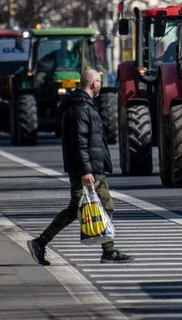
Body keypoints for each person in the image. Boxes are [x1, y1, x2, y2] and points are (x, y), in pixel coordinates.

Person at [27, 69, 133, 265]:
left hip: (91, 166)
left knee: (87, 207)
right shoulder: (80, 108)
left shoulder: (83, 105)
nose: (100, 84)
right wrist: (86, 170)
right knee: (100, 206)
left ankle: (107, 250)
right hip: (86, 168)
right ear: (93, 84)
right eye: (99, 81)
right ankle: (40, 242)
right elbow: (79, 142)